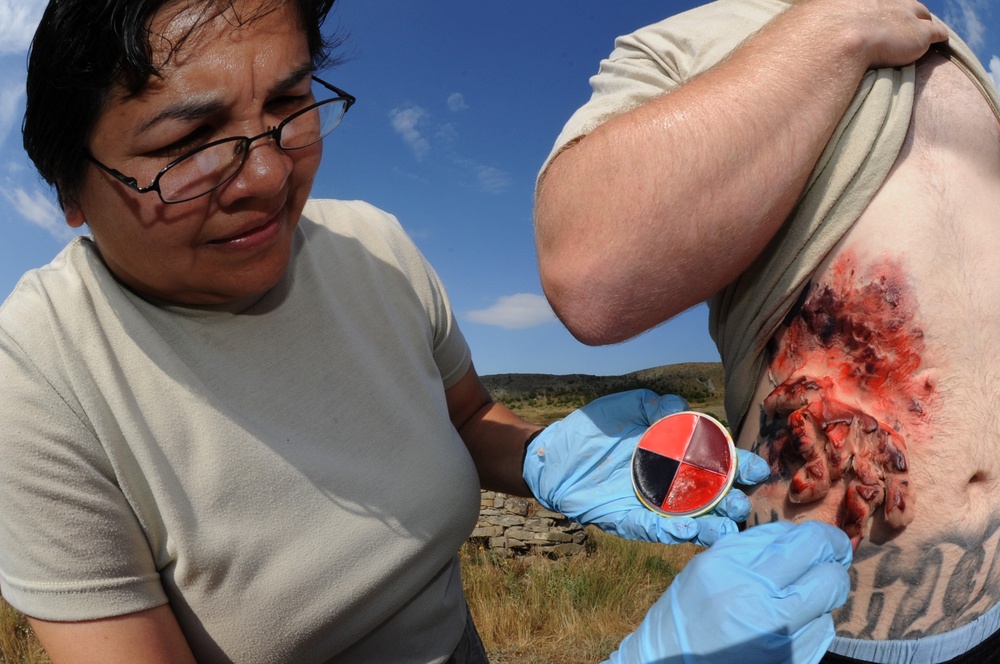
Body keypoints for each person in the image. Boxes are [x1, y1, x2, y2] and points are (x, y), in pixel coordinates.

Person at [0, 0, 853, 662]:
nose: (263, 174)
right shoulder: (36, 381)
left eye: (291, 102)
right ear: (69, 192)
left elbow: (466, 418)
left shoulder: (375, 249)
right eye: (190, 141)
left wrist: (546, 456)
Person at [534, 0, 1000, 662]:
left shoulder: (957, 53)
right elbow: (587, 274)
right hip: (811, 629)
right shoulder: (687, 45)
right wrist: (839, 27)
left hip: (988, 611)